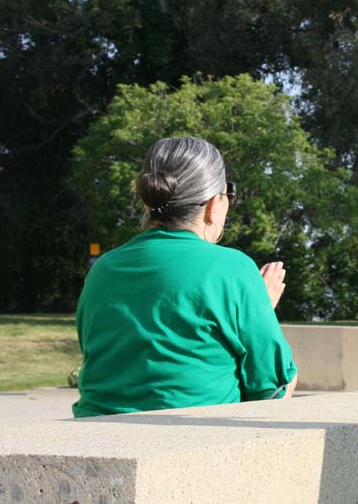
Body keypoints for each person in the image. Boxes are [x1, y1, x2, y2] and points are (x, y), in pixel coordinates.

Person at [74, 136, 298, 417]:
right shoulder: (232, 269)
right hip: (192, 442)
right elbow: (272, 388)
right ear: (213, 205)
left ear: (148, 200)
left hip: (97, 435)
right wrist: (260, 307)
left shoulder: (103, 270)